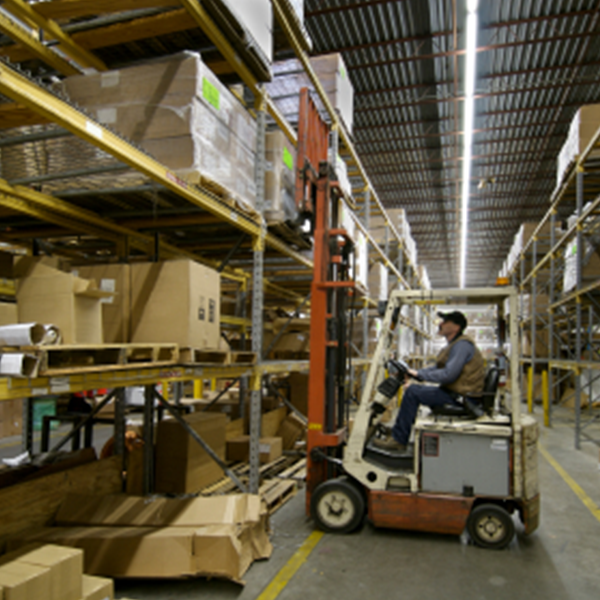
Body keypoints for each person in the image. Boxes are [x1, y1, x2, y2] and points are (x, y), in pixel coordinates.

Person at [373, 310, 485, 452]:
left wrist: (418, 373)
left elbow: (448, 375)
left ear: (456, 327)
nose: (441, 324)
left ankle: (399, 440)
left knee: (413, 392)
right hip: (454, 393)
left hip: (462, 399)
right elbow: (437, 368)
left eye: (446, 321)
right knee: (414, 389)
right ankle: (398, 431)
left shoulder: (461, 346)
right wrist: (415, 373)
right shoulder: (454, 345)